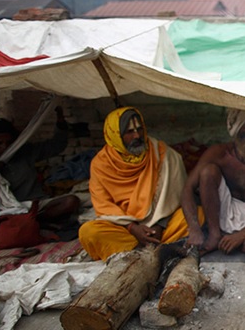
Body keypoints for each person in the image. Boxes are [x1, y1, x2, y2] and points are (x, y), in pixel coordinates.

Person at [78, 106, 192, 261]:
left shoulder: (163, 154)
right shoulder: (101, 164)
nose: (137, 135)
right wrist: (133, 228)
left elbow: (175, 196)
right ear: (115, 136)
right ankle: (146, 250)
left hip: (161, 225)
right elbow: (104, 206)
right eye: (129, 132)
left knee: (194, 215)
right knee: (88, 232)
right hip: (125, 228)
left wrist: (159, 225)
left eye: (139, 129)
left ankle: (143, 250)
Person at [180, 109, 245, 257]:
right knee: (208, 172)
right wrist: (194, 229)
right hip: (228, 207)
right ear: (237, 131)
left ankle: (226, 238)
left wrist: (241, 235)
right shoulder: (219, 153)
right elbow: (188, 188)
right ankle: (215, 234)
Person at [0, 109, 81, 229]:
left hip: (36, 203)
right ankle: (30, 221)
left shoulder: (25, 152)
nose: (4, 147)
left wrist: (61, 122)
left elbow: (56, 145)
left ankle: (35, 220)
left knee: (71, 201)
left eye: (9, 142)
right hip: (7, 209)